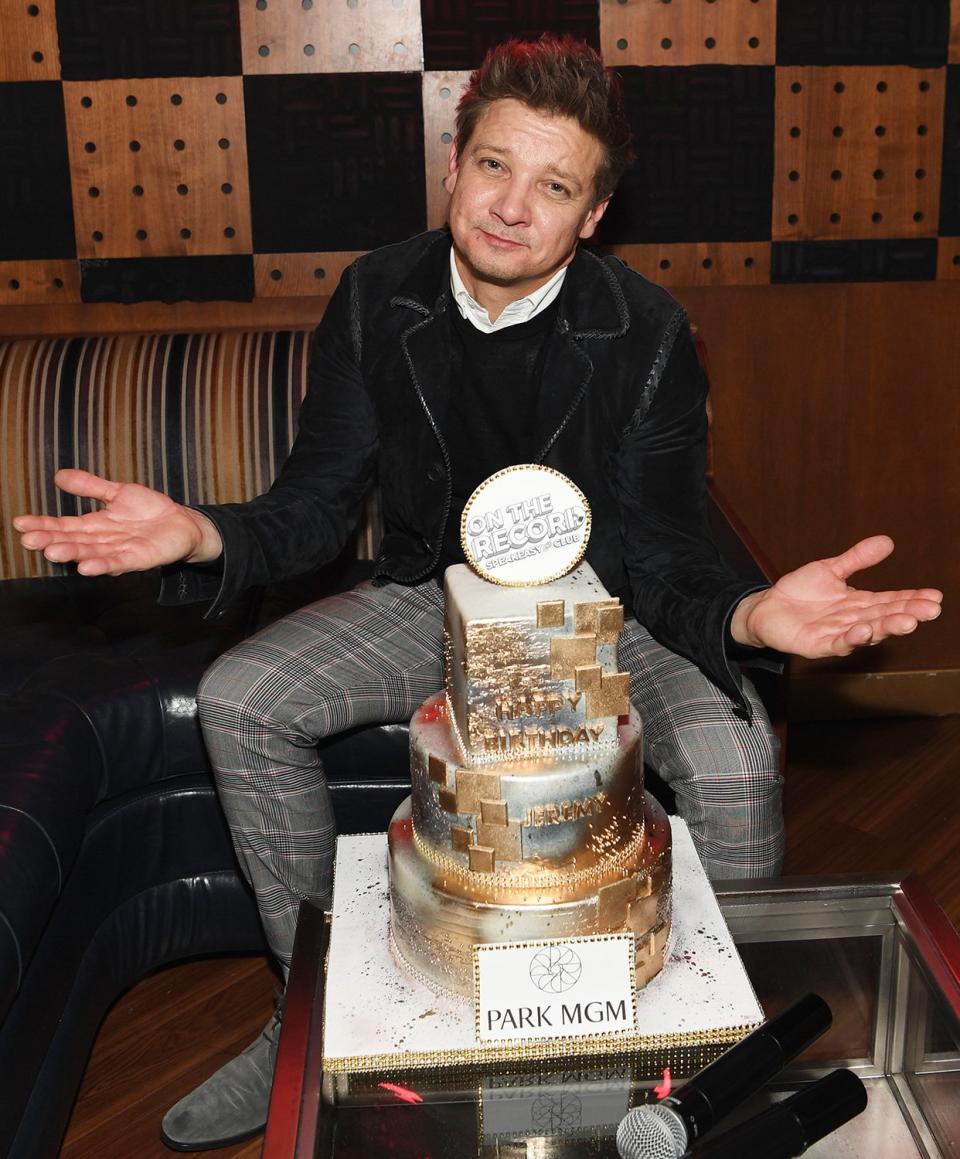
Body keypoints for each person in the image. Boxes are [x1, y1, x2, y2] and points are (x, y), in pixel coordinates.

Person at [13, 34, 941, 1153]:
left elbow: (664, 544)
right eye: (496, 166)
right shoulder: (375, 295)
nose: (513, 206)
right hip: (438, 599)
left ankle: (702, 1063)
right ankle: (300, 1012)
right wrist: (204, 530)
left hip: (615, 609)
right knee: (241, 697)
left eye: (554, 185)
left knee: (737, 761)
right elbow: (314, 504)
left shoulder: (644, 330)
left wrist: (748, 618)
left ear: (592, 216)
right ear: (453, 162)